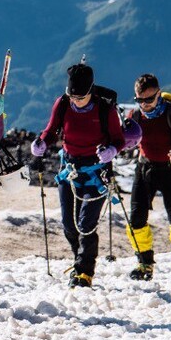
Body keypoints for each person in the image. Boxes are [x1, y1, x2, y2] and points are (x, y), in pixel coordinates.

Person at [31, 62, 124, 288]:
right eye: (73, 97)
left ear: (91, 91)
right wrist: (41, 143)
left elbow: (118, 139)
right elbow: (52, 130)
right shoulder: (63, 104)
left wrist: (111, 150)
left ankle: (84, 271)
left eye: (81, 98)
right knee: (69, 225)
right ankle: (78, 260)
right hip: (70, 170)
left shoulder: (105, 109)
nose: (76, 102)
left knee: (86, 224)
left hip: (95, 172)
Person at [120, 73, 171, 283]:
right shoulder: (135, 116)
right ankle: (145, 264)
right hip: (145, 169)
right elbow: (124, 140)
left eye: (148, 99)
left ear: (158, 93)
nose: (144, 104)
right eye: (139, 100)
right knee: (136, 219)